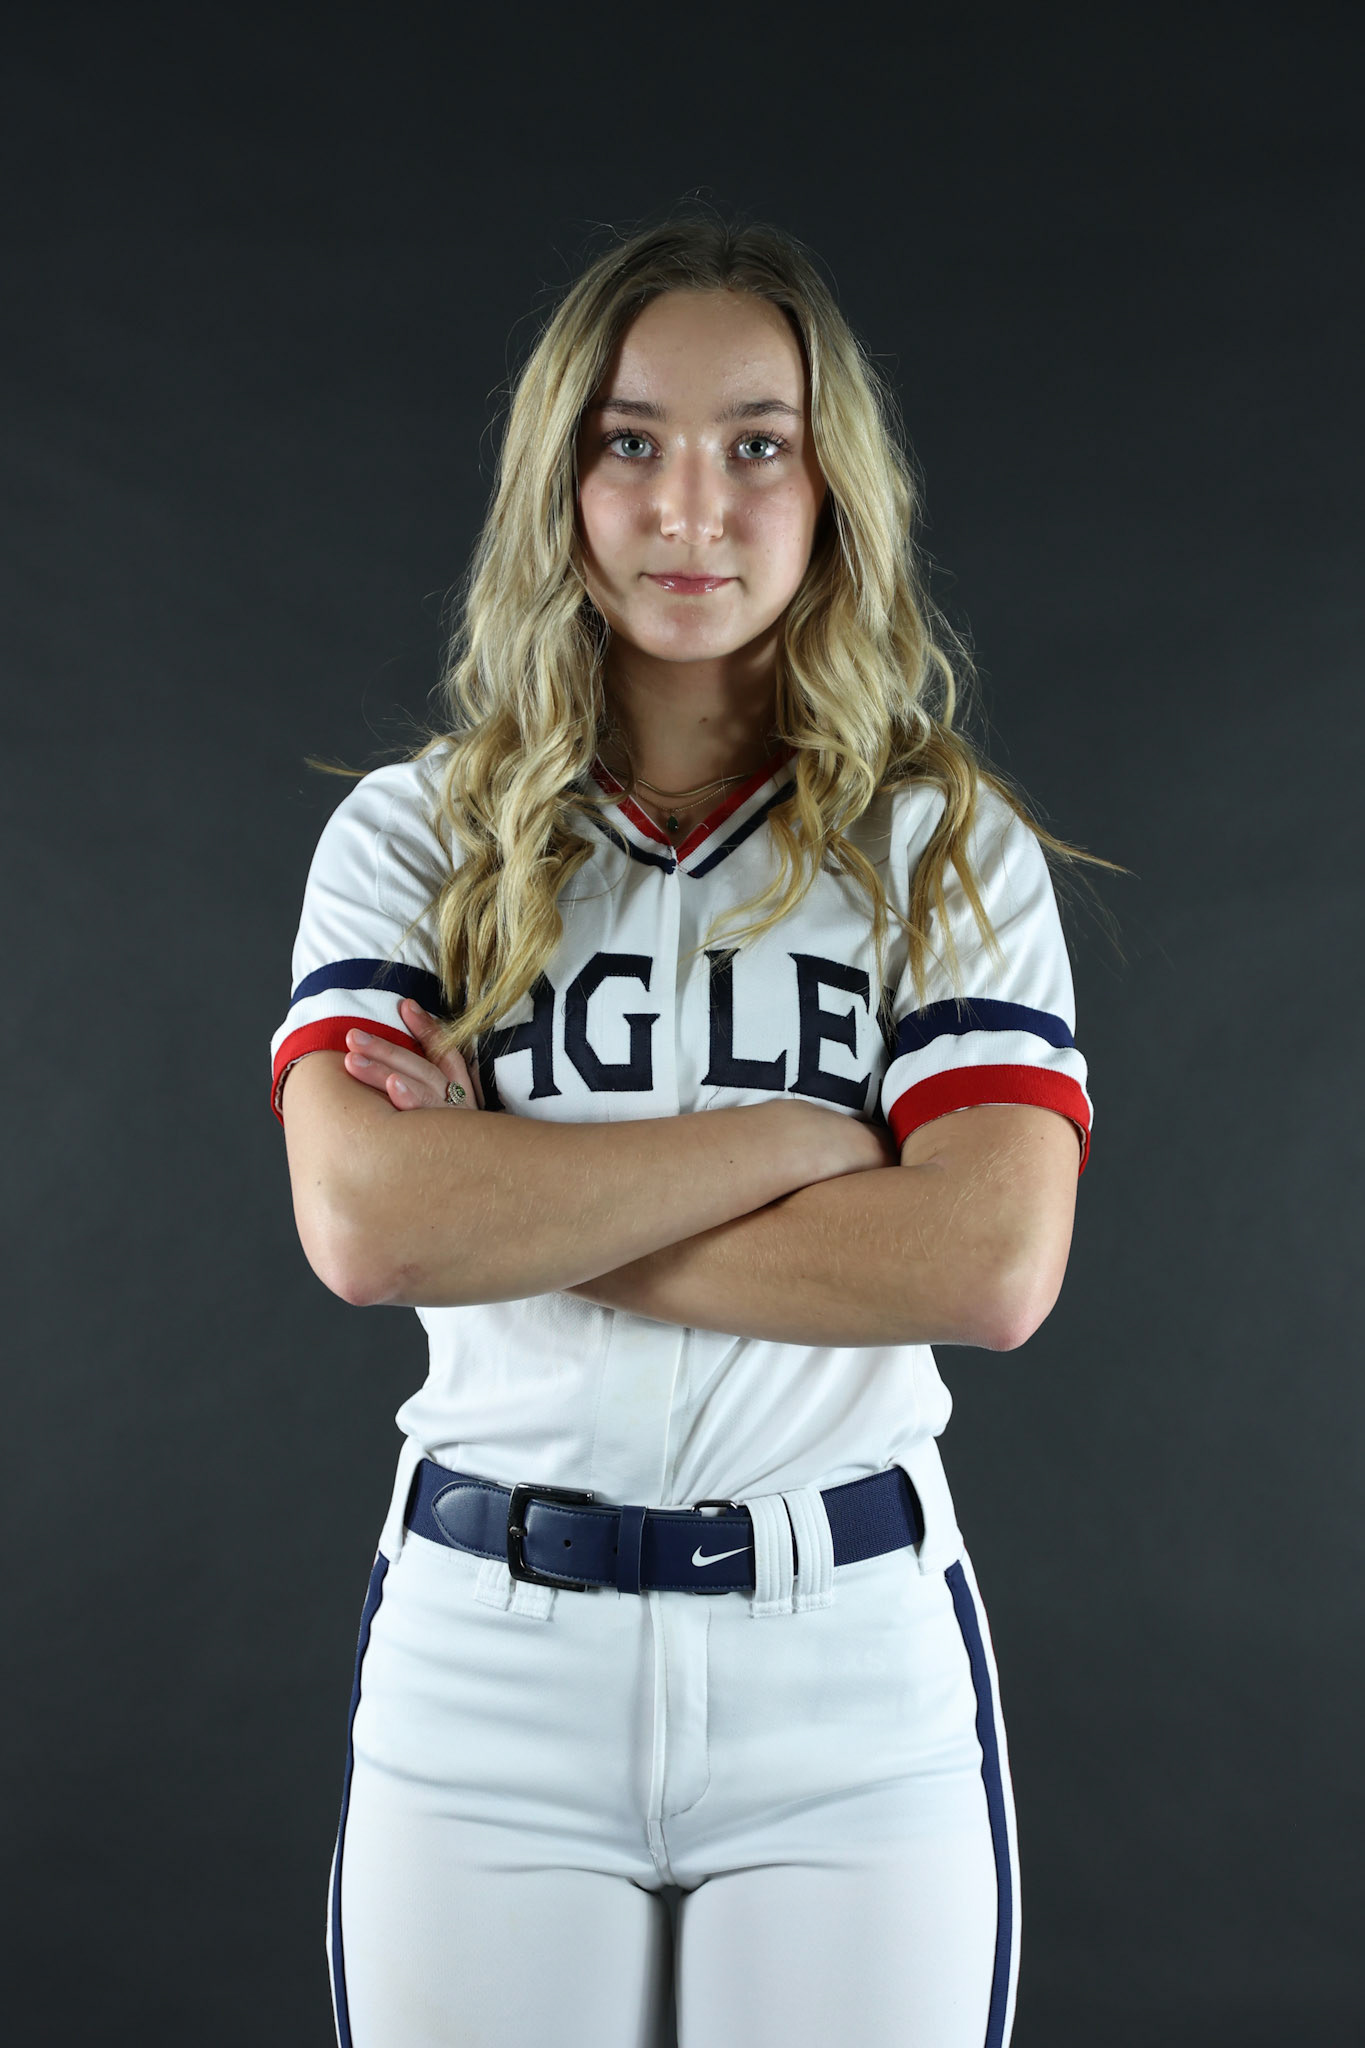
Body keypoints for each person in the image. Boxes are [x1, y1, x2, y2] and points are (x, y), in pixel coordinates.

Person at [272, 209, 1096, 2048]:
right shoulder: (411, 837)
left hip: (843, 1663)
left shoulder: (938, 846)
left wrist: (515, 1200)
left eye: (757, 445)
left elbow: (985, 1261)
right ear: (556, 480)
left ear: (833, 487)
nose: (689, 509)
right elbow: (371, 1225)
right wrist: (803, 1139)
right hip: (489, 1659)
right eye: (629, 441)